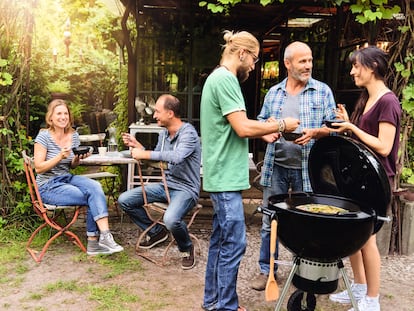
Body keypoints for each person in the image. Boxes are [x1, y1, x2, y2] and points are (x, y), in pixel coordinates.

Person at [200, 30, 300, 311]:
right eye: (254, 59)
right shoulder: (226, 80)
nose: (255, 66)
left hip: (222, 175)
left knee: (221, 243)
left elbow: (234, 127)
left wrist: (263, 131)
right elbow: (243, 127)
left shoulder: (217, 78)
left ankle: (213, 302)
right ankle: (225, 307)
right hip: (225, 178)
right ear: (242, 53)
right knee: (234, 243)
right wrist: (280, 125)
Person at [251, 41, 337, 291]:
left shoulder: (322, 91)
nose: (308, 65)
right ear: (287, 64)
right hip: (275, 166)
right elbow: (260, 122)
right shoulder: (274, 93)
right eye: (302, 61)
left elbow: (335, 129)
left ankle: (304, 274)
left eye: (310, 60)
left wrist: (316, 132)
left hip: (307, 168)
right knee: (270, 221)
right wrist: (266, 130)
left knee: (307, 222)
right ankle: (267, 271)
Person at [328, 46, 401, 311]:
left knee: (367, 236)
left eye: (356, 66)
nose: (352, 71)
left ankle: (372, 299)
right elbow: (362, 138)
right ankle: (358, 287)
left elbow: (383, 146)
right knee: (353, 231)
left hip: (377, 180)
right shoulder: (367, 98)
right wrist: (349, 124)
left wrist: (352, 127)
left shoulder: (388, 101)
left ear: (371, 67)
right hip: (360, 176)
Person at [118, 94, 201, 270]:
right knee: (125, 200)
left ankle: (186, 248)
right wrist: (138, 146)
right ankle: (157, 233)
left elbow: (176, 157)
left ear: (170, 113)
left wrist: (145, 154)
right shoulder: (163, 134)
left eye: (157, 111)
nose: (154, 115)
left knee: (170, 219)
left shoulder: (189, 133)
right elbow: (158, 161)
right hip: (166, 185)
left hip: (186, 189)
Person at [34, 99, 124, 256]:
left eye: (66, 113)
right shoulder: (44, 137)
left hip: (67, 178)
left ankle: (105, 236)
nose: (63, 117)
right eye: (59, 114)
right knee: (91, 196)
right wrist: (60, 156)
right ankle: (94, 242)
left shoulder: (73, 135)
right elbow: (39, 167)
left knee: (96, 187)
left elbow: (72, 166)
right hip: (48, 185)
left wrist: (78, 158)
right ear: (51, 118)